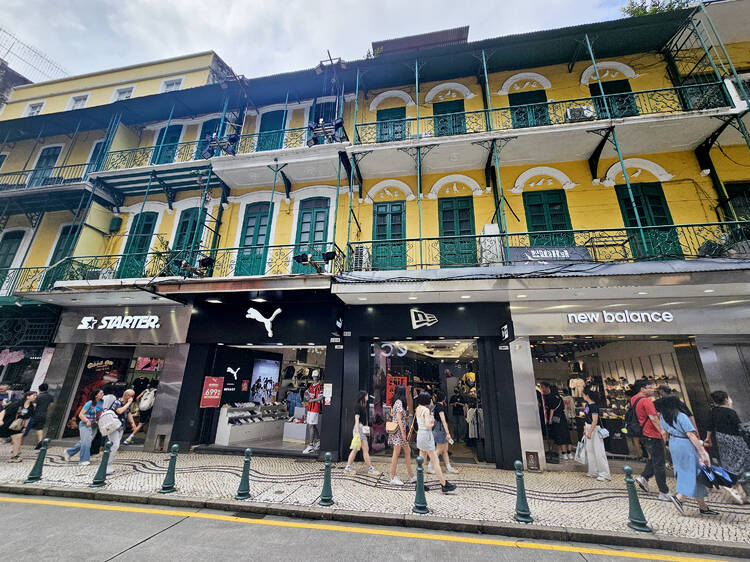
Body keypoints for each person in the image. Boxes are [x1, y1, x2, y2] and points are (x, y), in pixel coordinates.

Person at [659, 395, 717, 516]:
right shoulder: (681, 416)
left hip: (674, 443)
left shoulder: (663, 417)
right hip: (685, 444)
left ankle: (703, 506)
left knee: (689, 471)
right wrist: (701, 451)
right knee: (692, 472)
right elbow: (691, 435)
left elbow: (664, 433)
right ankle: (680, 498)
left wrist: (668, 446)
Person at [704, 390, 750, 504]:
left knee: (728, 462)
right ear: (725, 399)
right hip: (735, 439)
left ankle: (735, 485)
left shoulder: (713, 412)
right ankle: (739, 486)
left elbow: (709, 426)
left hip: (721, 440)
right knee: (743, 461)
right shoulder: (730, 412)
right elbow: (739, 427)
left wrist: (708, 439)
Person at [631, 380, 670, 500]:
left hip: (644, 433)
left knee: (655, 458)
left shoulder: (634, 399)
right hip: (653, 434)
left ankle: (644, 477)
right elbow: (653, 418)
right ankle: (663, 491)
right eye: (650, 387)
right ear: (642, 389)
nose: (653, 389)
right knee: (660, 463)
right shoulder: (646, 401)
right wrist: (662, 431)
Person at [414, 391, 456, 493]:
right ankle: (444, 484)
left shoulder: (417, 409)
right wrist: (432, 423)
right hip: (427, 435)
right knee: (435, 461)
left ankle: (419, 484)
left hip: (420, 435)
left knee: (422, 462)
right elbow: (428, 425)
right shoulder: (426, 410)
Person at [343, 390, 380, 475]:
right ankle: (370, 468)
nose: (368, 397)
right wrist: (357, 433)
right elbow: (357, 420)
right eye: (366, 395)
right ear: (363, 396)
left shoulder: (362, 406)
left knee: (357, 450)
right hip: (359, 429)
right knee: (364, 449)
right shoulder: (358, 406)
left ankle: (348, 467)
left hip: (360, 429)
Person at [64, 389, 103, 465]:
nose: (102, 394)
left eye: (102, 393)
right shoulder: (89, 403)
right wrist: (86, 420)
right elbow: (81, 414)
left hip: (94, 425)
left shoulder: (101, 403)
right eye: (101, 393)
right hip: (85, 424)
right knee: (87, 442)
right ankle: (83, 460)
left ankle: (69, 452)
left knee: (86, 441)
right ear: (96, 395)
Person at [102, 389, 136, 475]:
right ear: (127, 396)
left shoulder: (126, 404)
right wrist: (128, 403)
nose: (133, 398)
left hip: (120, 427)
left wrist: (132, 423)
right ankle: (105, 465)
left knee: (115, 446)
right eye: (132, 396)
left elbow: (128, 413)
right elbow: (119, 411)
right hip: (113, 427)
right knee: (114, 445)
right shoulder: (117, 402)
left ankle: (108, 465)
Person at [388, 385, 416, 486]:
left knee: (407, 451)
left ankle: (411, 475)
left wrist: (404, 416)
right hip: (399, 432)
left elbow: (392, 414)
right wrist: (403, 434)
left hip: (400, 432)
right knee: (396, 453)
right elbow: (399, 418)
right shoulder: (399, 402)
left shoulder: (396, 401)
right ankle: (392, 477)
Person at [0, 390, 37, 462]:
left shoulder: (31, 407)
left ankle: (15, 456)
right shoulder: (17, 403)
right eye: (34, 395)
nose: (35, 397)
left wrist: (24, 427)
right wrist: (1, 420)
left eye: (36, 395)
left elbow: (27, 418)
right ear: (28, 396)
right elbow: (4, 411)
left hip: (17, 425)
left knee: (18, 438)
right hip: (6, 423)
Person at [427, 390, 458, 475]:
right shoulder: (440, 407)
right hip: (441, 429)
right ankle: (430, 466)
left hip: (439, 428)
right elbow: (443, 420)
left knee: (445, 450)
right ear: (444, 398)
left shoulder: (436, 406)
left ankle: (448, 467)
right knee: (439, 449)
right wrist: (448, 433)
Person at [582, 389, 610, 481]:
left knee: (599, 451)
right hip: (588, 427)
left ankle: (604, 473)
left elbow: (595, 420)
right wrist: (585, 429)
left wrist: (590, 432)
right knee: (590, 450)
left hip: (594, 429)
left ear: (587, 395)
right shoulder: (587, 405)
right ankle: (593, 471)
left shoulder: (594, 406)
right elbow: (586, 418)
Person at [124, 379, 158, 445]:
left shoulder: (145, 390)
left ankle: (146, 438)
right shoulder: (156, 391)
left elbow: (137, 398)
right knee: (143, 424)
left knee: (143, 423)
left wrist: (140, 404)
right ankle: (129, 438)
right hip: (149, 409)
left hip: (142, 409)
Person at [545, 385, 573, 460]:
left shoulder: (552, 398)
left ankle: (564, 453)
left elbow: (552, 410)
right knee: (566, 435)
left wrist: (550, 419)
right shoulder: (560, 398)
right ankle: (569, 453)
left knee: (560, 435)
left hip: (557, 418)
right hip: (563, 417)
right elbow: (564, 407)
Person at [30, 383, 54, 449]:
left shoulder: (38, 397)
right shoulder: (50, 396)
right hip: (44, 414)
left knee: (26, 427)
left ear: (39, 389)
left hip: (35, 414)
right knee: (39, 428)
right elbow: (51, 405)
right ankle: (40, 441)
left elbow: (34, 405)